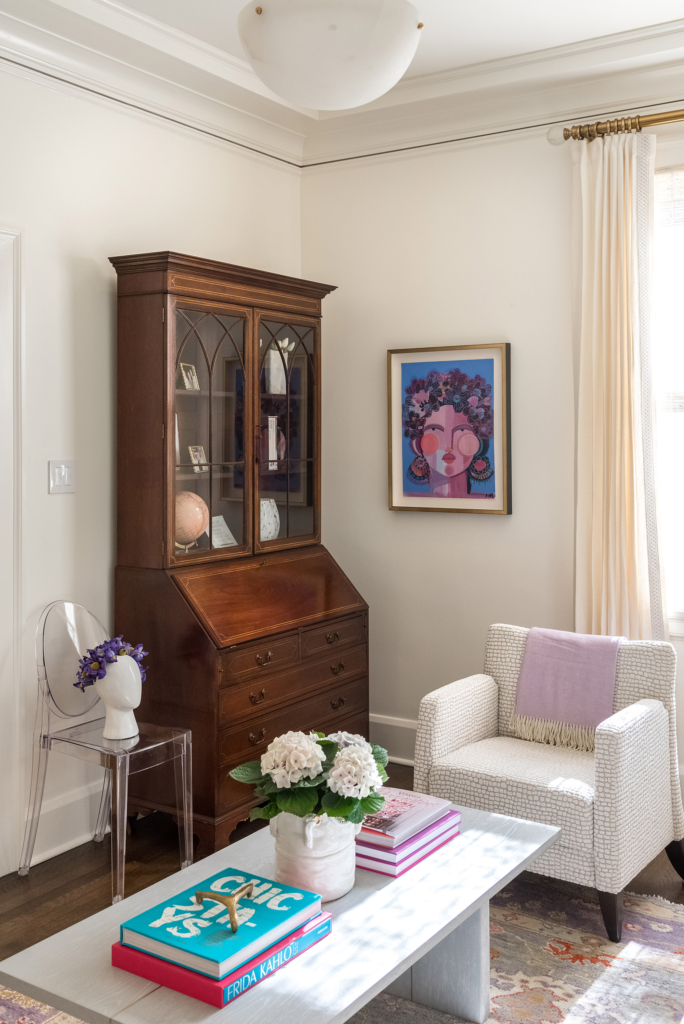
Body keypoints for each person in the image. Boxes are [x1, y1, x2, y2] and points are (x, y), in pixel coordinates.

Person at [402, 368, 494, 497]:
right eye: (434, 430)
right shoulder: (407, 499)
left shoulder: (490, 501)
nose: (448, 446)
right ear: (418, 442)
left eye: (461, 430)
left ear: (479, 441)